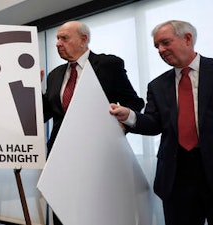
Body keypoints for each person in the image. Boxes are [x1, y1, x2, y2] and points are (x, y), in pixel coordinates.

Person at [110, 20, 213, 225]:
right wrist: (129, 115)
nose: (161, 50)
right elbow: (154, 124)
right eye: (157, 46)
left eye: (165, 42)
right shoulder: (157, 85)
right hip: (176, 177)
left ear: (188, 39)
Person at [42, 20, 144, 225]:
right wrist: (31, 90)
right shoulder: (55, 75)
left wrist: (120, 127)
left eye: (64, 38)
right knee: (63, 214)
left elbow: (134, 102)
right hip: (60, 159)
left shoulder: (108, 65)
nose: (58, 43)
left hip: (99, 159)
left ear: (84, 39)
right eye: (57, 38)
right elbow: (43, 115)